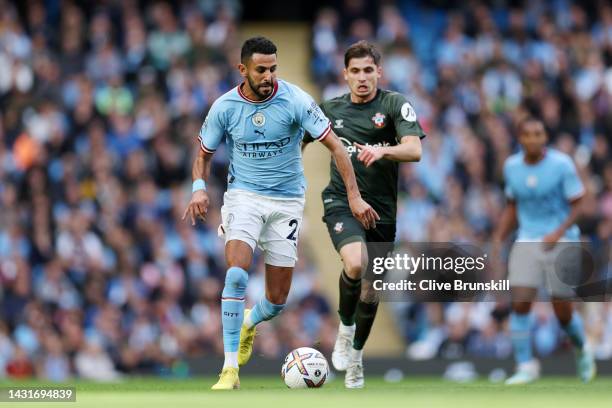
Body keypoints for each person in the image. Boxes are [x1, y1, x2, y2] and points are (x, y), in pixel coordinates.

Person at [183, 36, 378, 390]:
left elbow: (337, 148)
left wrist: (354, 198)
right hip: (244, 197)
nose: (269, 75)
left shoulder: (296, 100)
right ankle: (229, 369)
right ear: (243, 70)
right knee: (237, 275)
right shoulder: (225, 107)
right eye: (261, 69)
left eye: (273, 68)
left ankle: (247, 323)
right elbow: (204, 154)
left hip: (287, 202)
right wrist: (198, 189)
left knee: (275, 302)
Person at [302, 40, 425, 388]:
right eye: (354, 71)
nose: (361, 77)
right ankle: (345, 326)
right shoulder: (329, 109)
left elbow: (414, 149)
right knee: (355, 264)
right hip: (341, 201)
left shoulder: (395, 105)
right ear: (345, 74)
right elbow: (300, 139)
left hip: (383, 211)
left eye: (368, 70)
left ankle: (355, 357)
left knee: (372, 292)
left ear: (379, 72)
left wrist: (382, 152)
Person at [493, 117, 596, 384]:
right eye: (529, 134)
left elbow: (578, 204)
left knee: (562, 310)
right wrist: (498, 238)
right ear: (520, 138)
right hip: (527, 238)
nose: (534, 138)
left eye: (539, 134)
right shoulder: (512, 167)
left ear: (544, 138)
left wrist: (558, 232)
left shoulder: (562, 165)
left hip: (562, 240)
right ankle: (525, 365)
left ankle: (582, 349)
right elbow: (512, 206)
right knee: (520, 303)